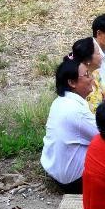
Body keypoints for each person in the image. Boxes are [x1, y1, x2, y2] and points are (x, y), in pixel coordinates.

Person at [40, 59, 98, 193]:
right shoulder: (76, 110)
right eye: (87, 75)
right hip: (75, 181)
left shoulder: (60, 101)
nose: (92, 78)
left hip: (56, 171)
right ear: (72, 82)